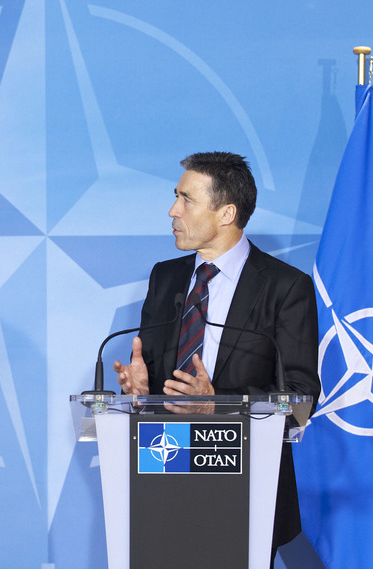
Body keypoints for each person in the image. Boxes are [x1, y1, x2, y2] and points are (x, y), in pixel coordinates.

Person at [113, 152, 320, 562]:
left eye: (186, 199)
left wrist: (219, 405)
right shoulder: (165, 277)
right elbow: (159, 378)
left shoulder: (285, 287)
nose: (172, 210)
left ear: (226, 213)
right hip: (163, 469)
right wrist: (142, 389)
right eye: (176, 197)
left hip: (244, 481)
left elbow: (300, 398)